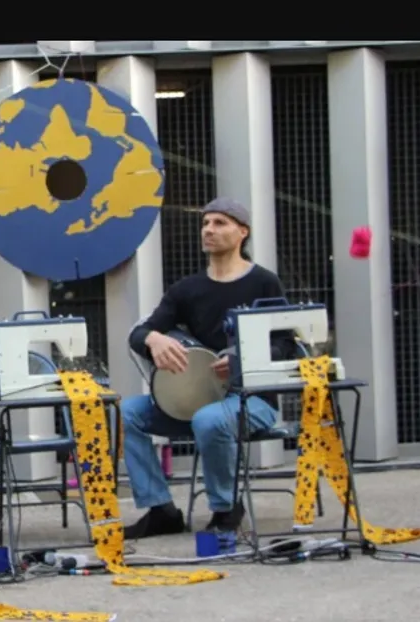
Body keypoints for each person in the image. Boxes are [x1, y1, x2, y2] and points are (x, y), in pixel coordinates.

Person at [121, 198, 297, 539]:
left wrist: (239, 360)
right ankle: (161, 510)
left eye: (220, 223)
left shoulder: (264, 283)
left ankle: (226, 507)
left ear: (242, 232)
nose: (209, 230)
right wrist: (154, 339)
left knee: (209, 419)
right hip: (197, 400)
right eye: (205, 223)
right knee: (127, 412)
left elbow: (286, 345)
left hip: (252, 400)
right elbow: (140, 333)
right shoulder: (186, 289)